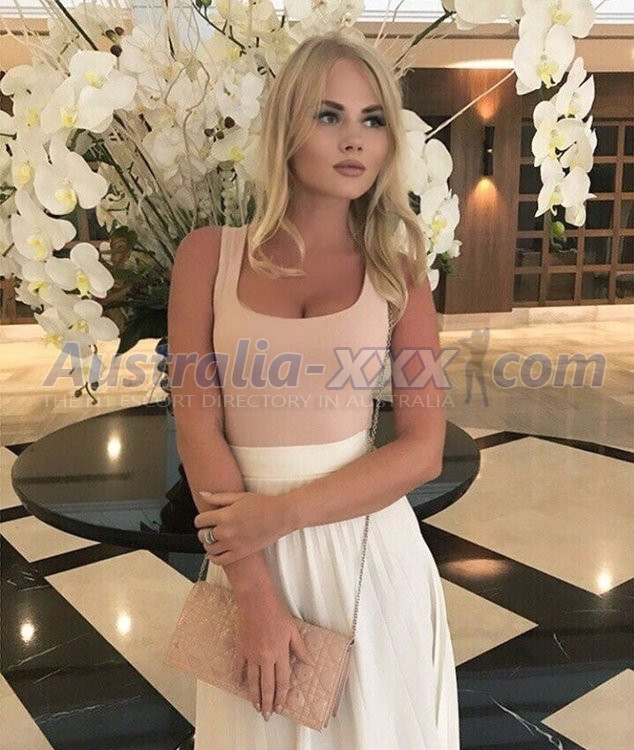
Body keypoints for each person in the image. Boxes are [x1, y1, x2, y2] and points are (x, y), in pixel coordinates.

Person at [167, 30, 460, 750]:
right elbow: (197, 427)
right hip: (245, 551)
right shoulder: (207, 256)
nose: (354, 139)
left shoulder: (397, 268)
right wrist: (254, 593)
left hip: (368, 556)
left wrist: (281, 515)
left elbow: (423, 449)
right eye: (329, 115)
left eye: (372, 119)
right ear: (287, 128)